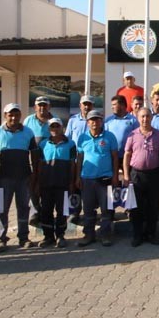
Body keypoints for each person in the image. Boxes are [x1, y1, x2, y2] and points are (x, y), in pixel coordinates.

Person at [0, 103, 40, 252]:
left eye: (17, 114)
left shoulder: (28, 132)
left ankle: (23, 238)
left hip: (23, 177)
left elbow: (34, 155)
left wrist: (34, 175)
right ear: (5, 115)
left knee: (23, 208)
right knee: (2, 209)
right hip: (3, 178)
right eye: (10, 115)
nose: (14, 117)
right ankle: (1, 239)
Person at [123, 108, 159, 246]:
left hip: (154, 174)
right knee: (136, 207)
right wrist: (126, 174)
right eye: (142, 116)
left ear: (151, 117)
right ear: (138, 118)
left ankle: (151, 234)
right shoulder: (132, 135)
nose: (145, 119)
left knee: (153, 206)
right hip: (136, 174)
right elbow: (127, 155)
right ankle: (137, 235)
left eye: (147, 116)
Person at [76, 110, 120, 246]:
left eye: (97, 119)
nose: (94, 122)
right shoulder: (82, 138)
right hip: (87, 179)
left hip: (105, 179)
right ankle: (89, 235)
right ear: (87, 122)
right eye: (92, 120)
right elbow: (79, 158)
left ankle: (105, 235)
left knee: (106, 210)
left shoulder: (110, 136)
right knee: (88, 210)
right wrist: (77, 177)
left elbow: (115, 157)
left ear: (101, 121)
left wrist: (115, 176)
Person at [36, 118, 76, 248]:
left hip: (63, 183)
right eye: (52, 127)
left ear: (62, 128)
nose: (55, 129)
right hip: (46, 183)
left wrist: (72, 182)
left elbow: (72, 164)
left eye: (57, 126)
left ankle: (60, 236)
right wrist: (38, 183)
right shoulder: (42, 144)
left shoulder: (70, 144)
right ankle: (48, 237)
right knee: (46, 211)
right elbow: (39, 165)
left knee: (62, 211)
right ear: (49, 129)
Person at [24, 95, 54, 228]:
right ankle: (35, 212)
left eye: (44, 105)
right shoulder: (28, 120)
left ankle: (46, 213)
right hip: (32, 159)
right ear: (35, 107)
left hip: (49, 161)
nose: (42, 108)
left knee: (46, 188)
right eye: (39, 105)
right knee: (32, 186)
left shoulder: (54, 121)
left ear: (49, 107)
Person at [64, 95, 94, 226]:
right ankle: (74, 212)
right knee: (74, 187)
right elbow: (68, 138)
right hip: (75, 159)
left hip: (90, 160)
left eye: (89, 104)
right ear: (80, 105)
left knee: (87, 187)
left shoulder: (97, 120)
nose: (87, 106)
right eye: (84, 104)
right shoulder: (73, 120)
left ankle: (90, 212)